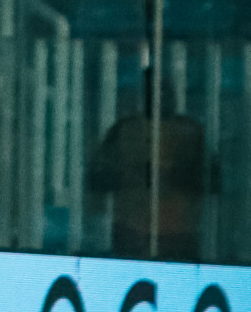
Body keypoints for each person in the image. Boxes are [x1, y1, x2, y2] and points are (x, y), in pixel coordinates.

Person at [86, 75, 215, 260]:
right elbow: (98, 177)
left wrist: (174, 175)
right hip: (132, 232)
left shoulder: (191, 132)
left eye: (165, 91)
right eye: (154, 92)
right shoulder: (125, 129)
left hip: (177, 234)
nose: (160, 97)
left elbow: (211, 179)